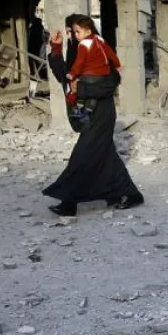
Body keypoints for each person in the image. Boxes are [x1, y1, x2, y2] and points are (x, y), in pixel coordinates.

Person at [43, 14, 144, 217]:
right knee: (105, 157)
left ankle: (68, 202)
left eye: (74, 31)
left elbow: (109, 83)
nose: (71, 35)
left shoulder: (98, 53)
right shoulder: (77, 52)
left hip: (101, 113)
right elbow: (64, 77)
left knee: (83, 155)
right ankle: (127, 194)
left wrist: (80, 87)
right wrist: (55, 48)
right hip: (85, 113)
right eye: (69, 31)